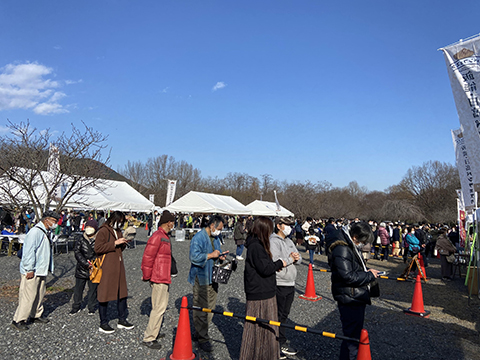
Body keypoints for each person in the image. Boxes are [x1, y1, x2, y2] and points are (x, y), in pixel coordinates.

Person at [329, 222, 379, 360]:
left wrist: (366, 272)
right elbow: (347, 276)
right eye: (363, 241)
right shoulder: (342, 248)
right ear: (355, 237)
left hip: (352, 295)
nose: (363, 244)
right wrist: (369, 275)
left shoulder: (348, 246)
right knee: (352, 338)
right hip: (349, 296)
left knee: (351, 336)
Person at [239, 216, 286, 360]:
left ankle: (263, 355)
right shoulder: (256, 246)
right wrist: (279, 263)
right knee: (258, 329)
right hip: (260, 293)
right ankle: (255, 355)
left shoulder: (255, 244)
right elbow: (265, 268)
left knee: (262, 329)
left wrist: (274, 266)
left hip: (262, 290)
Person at [11, 210, 61, 331]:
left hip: (41, 269)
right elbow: (28, 251)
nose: (55, 224)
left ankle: (35, 314)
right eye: (54, 221)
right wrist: (29, 269)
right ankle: (19, 319)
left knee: (39, 293)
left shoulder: (45, 231)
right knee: (28, 295)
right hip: (33, 269)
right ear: (46, 219)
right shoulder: (35, 232)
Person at [188, 215, 228, 353]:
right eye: (219, 228)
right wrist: (211, 255)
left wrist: (221, 256)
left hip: (214, 276)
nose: (220, 231)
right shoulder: (198, 238)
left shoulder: (216, 238)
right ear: (212, 225)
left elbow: (217, 253)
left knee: (210, 307)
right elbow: (193, 257)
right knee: (201, 307)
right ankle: (203, 338)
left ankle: (200, 332)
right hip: (202, 277)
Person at [141, 210, 175, 349]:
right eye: (172, 221)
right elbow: (147, 257)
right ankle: (149, 337)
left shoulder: (163, 236)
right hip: (159, 277)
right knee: (158, 308)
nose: (174, 224)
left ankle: (154, 333)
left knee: (160, 307)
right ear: (168, 222)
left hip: (163, 277)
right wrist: (147, 276)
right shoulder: (158, 236)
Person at [94, 211, 134, 334]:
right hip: (106, 267)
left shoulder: (118, 231)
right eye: (120, 222)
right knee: (104, 294)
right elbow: (98, 248)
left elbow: (119, 248)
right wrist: (114, 243)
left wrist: (124, 243)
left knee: (122, 293)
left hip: (118, 265)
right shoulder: (103, 231)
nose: (121, 224)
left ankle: (122, 319)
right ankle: (103, 322)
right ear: (114, 220)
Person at [270, 217, 301, 359]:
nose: (289, 227)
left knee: (285, 314)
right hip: (280, 283)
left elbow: (299, 258)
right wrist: (290, 258)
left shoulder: (289, 241)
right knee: (278, 315)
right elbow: (275, 261)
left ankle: (280, 341)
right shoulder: (273, 241)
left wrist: (295, 257)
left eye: (290, 225)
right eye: (286, 225)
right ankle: (276, 343)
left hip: (291, 283)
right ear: (279, 226)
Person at [70, 219, 99, 315]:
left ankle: (91, 307)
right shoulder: (81, 238)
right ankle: (76, 307)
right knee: (78, 289)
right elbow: (77, 252)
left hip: (94, 268)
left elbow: (101, 252)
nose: (88, 229)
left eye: (90, 227)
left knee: (93, 290)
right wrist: (85, 263)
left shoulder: (99, 239)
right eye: (87, 227)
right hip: (81, 268)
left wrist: (94, 262)